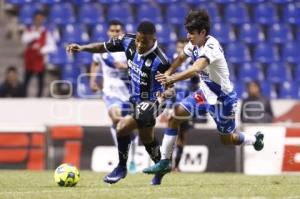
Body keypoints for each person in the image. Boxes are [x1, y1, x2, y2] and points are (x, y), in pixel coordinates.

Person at [143, 10, 264, 177]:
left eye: (192, 33)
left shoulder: (211, 47)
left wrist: (172, 79)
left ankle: (253, 139)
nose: (188, 36)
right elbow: (180, 59)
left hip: (223, 100)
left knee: (227, 140)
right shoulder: (193, 44)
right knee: (175, 116)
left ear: (203, 32)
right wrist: (168, 73)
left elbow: (195, 69)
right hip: (204, 93)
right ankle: (164, 161)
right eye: (188, 32)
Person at [67, 21, 173, 185]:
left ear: (153, 39)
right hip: (136, 100)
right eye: (138, 39)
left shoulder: (161, 61)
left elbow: (171, 88)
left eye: (143, 42)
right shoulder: (128, 41)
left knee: (122, 128)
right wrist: (82, 48)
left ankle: (121, 168)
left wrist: (164, 95)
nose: (139, 44)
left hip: (152, 102)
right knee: (147, 139)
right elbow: (103, 47)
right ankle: (162, 166)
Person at [89, 20, 138, 173]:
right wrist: (92, 79)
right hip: (110, 92)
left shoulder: (129, 49)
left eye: (118, 31)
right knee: (116, 119)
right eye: (112, 31)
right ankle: (121, 158)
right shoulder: (103, 49)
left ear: (122, 33)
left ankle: (133, 159)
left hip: (129, 93)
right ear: (108, 33)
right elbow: (99, 63)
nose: (115, 33)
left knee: (130, 127)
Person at [166, 39, 199, 171]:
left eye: (184, 48)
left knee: (183, 135)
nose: (182, 50)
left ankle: (177, 166)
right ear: (176, 48)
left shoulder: (193, 62)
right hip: (174, 103)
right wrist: (167, 106)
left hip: (187, 104)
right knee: (171, 133)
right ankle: (167, 163)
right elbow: (165, 83)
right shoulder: (171, 62)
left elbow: (196, 83)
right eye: (180, 47)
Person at [21, 11, 56, 97]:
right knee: (26, 81)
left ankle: (39, 98)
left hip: (40, 60)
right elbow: (24, 40)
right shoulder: (28, 30)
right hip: (29, 60)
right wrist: (34, 34)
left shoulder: (46, 32)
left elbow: (52, 46)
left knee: (40, 82)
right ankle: (23, 98)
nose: (39, 21)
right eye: (37, 19)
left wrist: (42, 50)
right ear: (34, 19)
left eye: (41, 19)